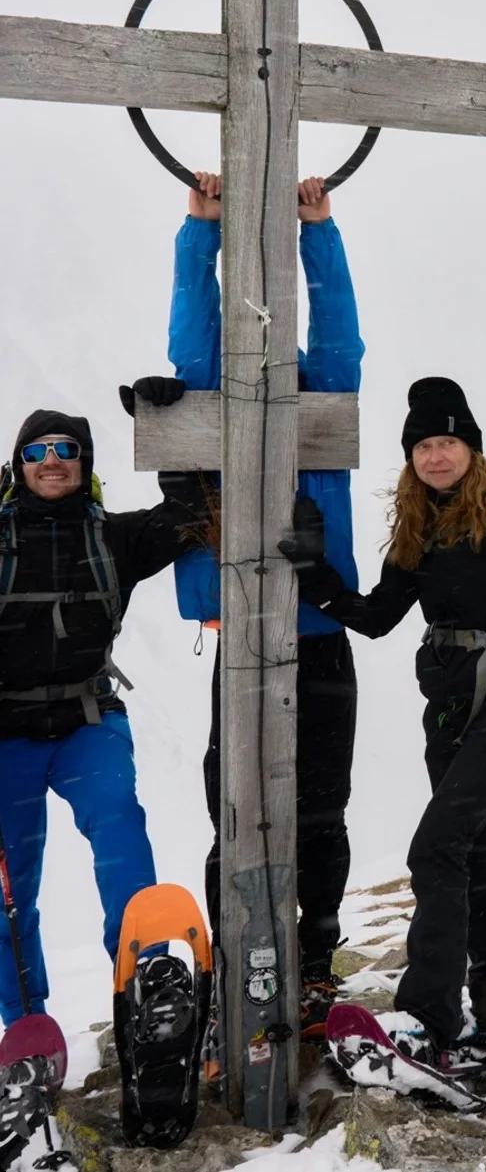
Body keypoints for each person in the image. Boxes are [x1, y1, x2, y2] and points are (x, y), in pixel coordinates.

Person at [278, 377, 486, 1061]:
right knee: (469, 849)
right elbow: (378, 616)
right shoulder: (419, 520)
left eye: (448, 442)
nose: (436, 456)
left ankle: (427, 1019)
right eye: (423, 446)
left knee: (435, 848)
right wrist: (314, 571)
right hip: (450, 700)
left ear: (470, 447)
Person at [156, 170, 364, 1039]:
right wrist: (200, 230)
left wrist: (320, 232)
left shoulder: (322, 399)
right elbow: (192, 343)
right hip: (245, 633)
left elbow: (340, 334)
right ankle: (235, 964)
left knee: (321, 811)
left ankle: (313, 960)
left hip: (319, 633)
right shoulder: (221, 399)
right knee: (234, 812)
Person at [0, 411, 201, 1025]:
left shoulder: (113, 537)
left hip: (87, 720)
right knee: (10, 889)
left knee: (119, 826)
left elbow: (195, 510)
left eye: (66, 449)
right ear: (18, 466)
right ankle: (26, 1023)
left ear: (84, 463)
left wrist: (169, 421)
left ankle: (149, 982)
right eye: (36, 451)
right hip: (6, 733)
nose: (51, 461)